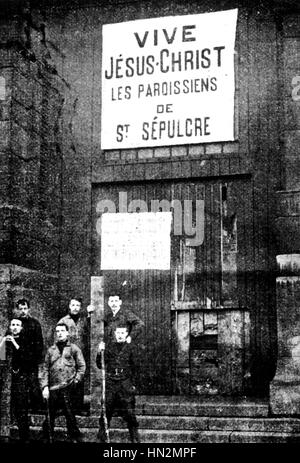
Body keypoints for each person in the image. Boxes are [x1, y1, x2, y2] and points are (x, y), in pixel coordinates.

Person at [40, 322, 86, 443]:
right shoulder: (51, 350)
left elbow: (82, 366)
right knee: (50, 414)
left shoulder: (74, 349)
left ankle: (74, 437)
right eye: (58, 331)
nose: (60, 333)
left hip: (68, 386)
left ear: (67, 333)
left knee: (69, 413)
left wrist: (76, 380)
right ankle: (47, 437)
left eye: (62, 331)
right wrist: (44, 387)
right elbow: (44, 369)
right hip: (53, 387)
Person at [97, 325, 140, 443]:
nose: (120, 335)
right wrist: (99, 352)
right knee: (106, 410)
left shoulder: (131, 348)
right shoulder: (108, 347)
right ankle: (102, 438)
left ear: (126, 334)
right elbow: (100, 364)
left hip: (125, 382)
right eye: (118, 333)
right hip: (111, 381)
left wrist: (133, 384)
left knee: (129, 411)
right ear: (115, 334)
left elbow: (135, 367)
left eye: (122, 333)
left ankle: (134, 438)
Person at [57, 297, 94, 412]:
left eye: (77, 305)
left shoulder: (83, 320)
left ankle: (78, 407)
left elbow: (90, 331)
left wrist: (89, 316)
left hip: (81, 355)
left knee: (79, 379)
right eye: (73, 305)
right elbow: (57, 338)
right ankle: (64, 407)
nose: (75, 308)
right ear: (69, 306)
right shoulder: (63, 321)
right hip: (67, 355)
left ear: (80, 307)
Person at [0, 318, 32, 442]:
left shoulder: (25, 341)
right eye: (12, 325)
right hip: (6, 381)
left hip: (21, 380)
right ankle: (4, 435)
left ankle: (24, 437)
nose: (14, 327)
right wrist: (3, 342)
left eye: (17, 325)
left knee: (21, 409)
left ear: (21, 328)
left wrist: (14, 342)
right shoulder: (4, 340)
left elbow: (27, 358)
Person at [12, 298, 44, 412]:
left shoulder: (35, 324)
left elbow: (39, 344)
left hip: (32, 360)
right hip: (19, 361)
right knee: (20, 386)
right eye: (20, 309)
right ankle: (22, 408)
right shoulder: (14, 324)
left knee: (33, 384)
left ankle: (38, 408)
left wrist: (38, 360)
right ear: (17, 310)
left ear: (29, 309)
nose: (23, 311)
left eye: (25, 308)